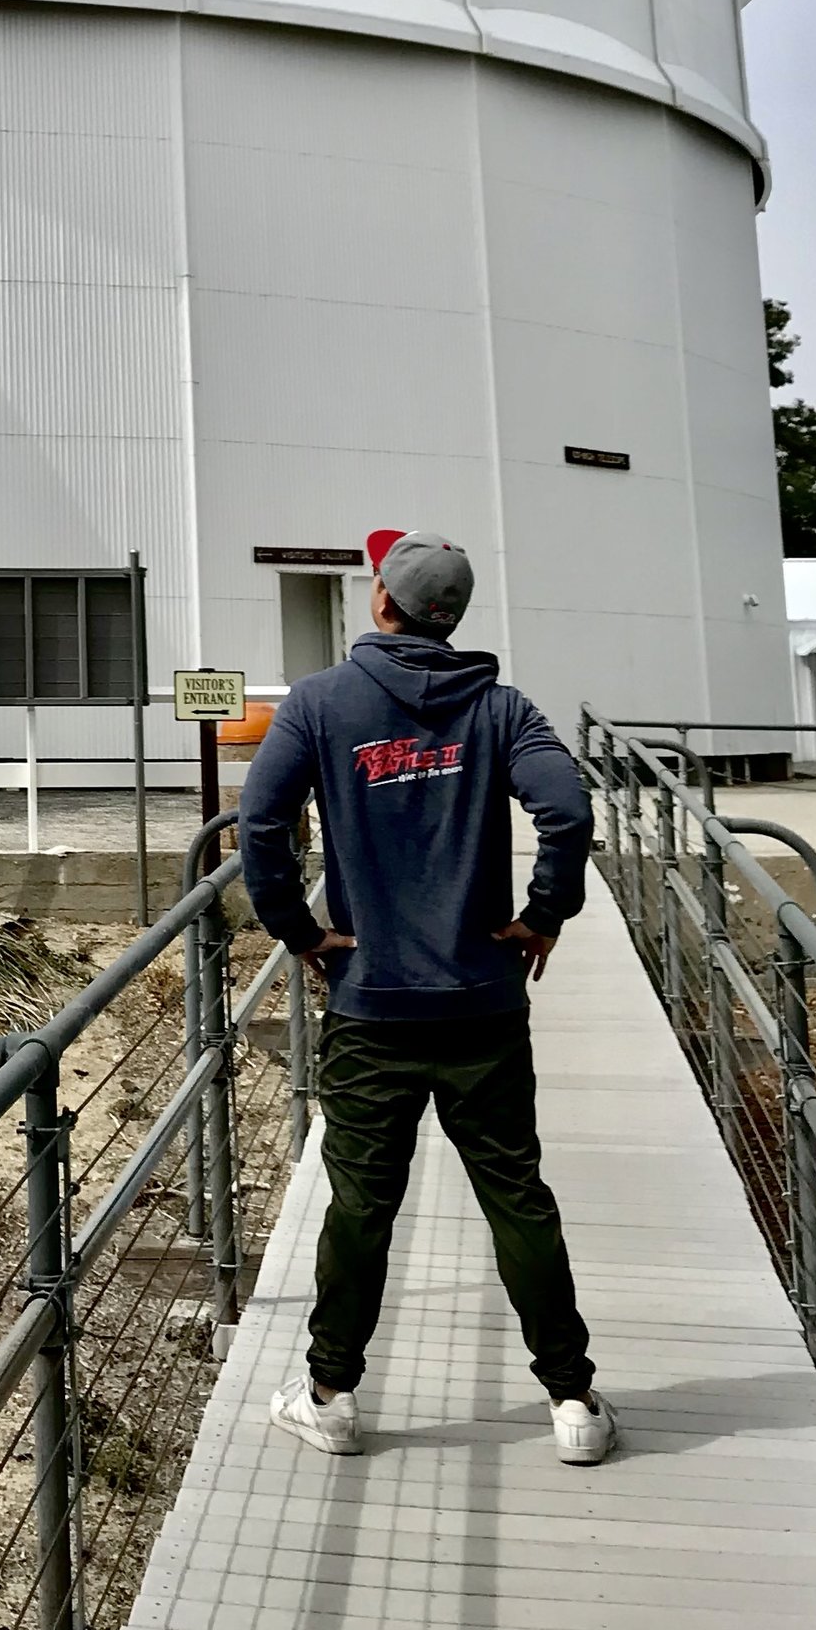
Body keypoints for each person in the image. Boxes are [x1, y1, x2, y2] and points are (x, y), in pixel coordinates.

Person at [238, 527, 617, 1466]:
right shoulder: (499, 707)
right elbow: (568, 810)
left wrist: (297, 930)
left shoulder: (320, 702)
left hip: (370, 1004)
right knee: (517, 1196)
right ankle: (572, 1399)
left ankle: (330, 1395)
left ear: (381, 599)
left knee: (362, 1204)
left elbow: (260, 822)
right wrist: (544, 912)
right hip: (484, 1002)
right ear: (453, 616)